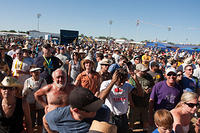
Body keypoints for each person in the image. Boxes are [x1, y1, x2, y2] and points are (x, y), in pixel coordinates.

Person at [43, 87, 110, 133]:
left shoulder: (103, 111)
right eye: (90, 109)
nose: (95, 110)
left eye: (96, 105)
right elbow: (45, 120)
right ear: (76, 110)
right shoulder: (58, 116)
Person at [99, 68, 134, 133]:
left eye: (123, 81)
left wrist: (136, 80)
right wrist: (113, 82)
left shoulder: (127, 85)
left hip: (123, 117)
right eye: (120, 81)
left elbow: (140, 94)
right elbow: (101, 97)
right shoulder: (106, 83)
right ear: (115, 78)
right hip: (111, 117)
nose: (122, 84)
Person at [22, 67, 47, 133]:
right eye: (34, 72)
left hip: (40, 104)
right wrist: (27, 89)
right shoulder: (27, 81)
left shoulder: (43, 81)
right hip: (31, 104)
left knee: (40, 122)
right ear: (31, 73)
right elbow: (23, 93)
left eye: (37, 71)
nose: (36, 73)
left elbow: (45, 92)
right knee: (31, 121)